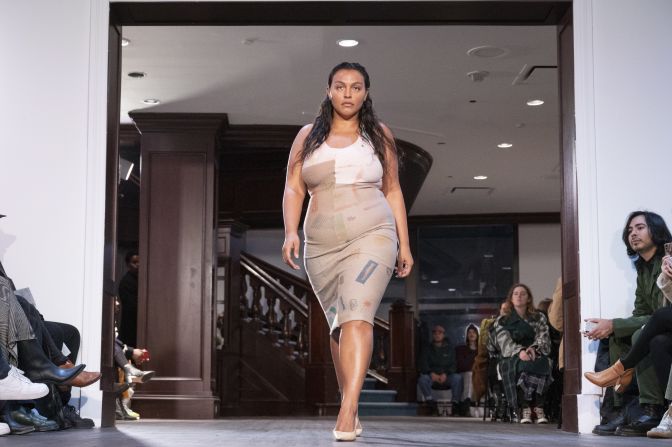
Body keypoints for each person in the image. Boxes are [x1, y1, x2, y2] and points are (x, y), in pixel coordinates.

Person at [281, 61, 413, 441]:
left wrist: (404, 243)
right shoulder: (307, 136)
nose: (348, 94)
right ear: (329, 90)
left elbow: (393, 190)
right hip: (322, 246)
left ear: (366, 93)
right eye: (341, 86)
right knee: (339, 326)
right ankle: (348, 402)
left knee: (357, 317)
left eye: (356, 87)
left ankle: (347, 410)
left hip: (373, 234)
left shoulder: (378, 135)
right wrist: (291, 230)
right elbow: (294, 188)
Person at [584, 211, 671, 436]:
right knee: (618, 335)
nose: (633, 234)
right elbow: (642, 312)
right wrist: (613, 326)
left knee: (637, 334)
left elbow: (662, 312)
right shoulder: (642, 269)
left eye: (640, 228)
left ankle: (651, 408)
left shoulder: (668, 259)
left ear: (656, 229)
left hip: (666, 322)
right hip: (662, 326)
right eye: (630, 230)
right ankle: (620, 409)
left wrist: (615, 323)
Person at [488, 283, 552, 424]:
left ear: (528, 298)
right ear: (511, 299)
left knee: (544, 363)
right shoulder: (503, 320)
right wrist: (520, 351)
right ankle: (525, 408)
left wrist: (534, 349)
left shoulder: (539, 317)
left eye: (523, 294)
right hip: (511, 355)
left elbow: (544, 336)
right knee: (522, 365)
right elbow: (503, 342)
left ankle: (539, 407)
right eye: (515, 294)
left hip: (535, 352)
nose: (519, 296)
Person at [418, 325, 464, 413]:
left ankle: (455, 403)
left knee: (457, 378)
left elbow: (453, 365)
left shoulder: (450, 349)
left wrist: (445, 374)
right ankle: (430, 402)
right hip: (432, 377)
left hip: (446, 377)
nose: (437, 335)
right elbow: (423, 364)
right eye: (435, 333)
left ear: (443, 335)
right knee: (422, 379)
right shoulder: (427, 348)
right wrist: (431, 373)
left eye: (440, 333)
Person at [455, 323, 479, 415]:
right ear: (466, 335)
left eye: (474, 332)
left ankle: (466, 404)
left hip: (478, 375)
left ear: (477, 335)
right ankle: (466, 403)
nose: (471, 334)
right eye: (469, 332)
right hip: (464, 374)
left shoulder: (481, 350)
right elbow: (461, 365)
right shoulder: (461, 349)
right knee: (469, 374)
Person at [118, 250, 139, 347]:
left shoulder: (142, 279)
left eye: (139, 262)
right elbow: (130, 306)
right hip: (130, 324)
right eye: (134, 262)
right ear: (128, 264)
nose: (138, 265)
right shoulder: (125, 282)